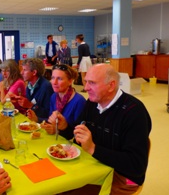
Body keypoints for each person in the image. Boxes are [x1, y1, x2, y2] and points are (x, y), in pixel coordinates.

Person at [50, 64, 151, 195]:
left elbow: (136, 166)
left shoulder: (134, 112)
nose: (86, 88)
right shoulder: (92, 103)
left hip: (125, 178)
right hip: (94, 165)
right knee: (55, 185)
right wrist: (65, 127)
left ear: (111, 85)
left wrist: (93, 148)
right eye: (86, 82)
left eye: (92, 83)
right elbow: (78, 135)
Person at [27, 64, 85, 135]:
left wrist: (57, 131)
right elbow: (51, 121)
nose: (54, 82)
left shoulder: (79, 101)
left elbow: (78, 134)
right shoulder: (54, 97)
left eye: (59, 79)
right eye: (53, 78)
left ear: (70, 81)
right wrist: (37, 119)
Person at [12, 58, 54, 122]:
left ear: (34, 72)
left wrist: (30, 105)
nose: (21, 73)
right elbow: (29, 104)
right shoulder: (29, 84)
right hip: (31, 120)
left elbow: (48, 113)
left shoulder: (46, 87)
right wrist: (20, 101)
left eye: (24, 70)